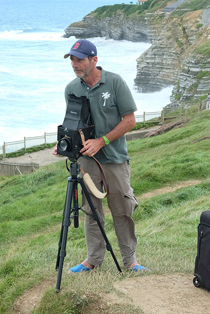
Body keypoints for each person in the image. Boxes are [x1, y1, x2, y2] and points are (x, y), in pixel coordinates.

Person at [63, 39, 147, 273]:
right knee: (91, 211)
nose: (74, 64)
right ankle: (93, 260)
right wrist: (66, 144)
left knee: (122, 210)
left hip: (115, 159)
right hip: (87, 161)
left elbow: (130, 120)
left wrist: (103, 141)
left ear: (94, 60)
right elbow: (73, 123)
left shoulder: (115, 82)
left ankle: (130, 261)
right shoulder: (72, 89)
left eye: (79, 59)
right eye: (72, 59)